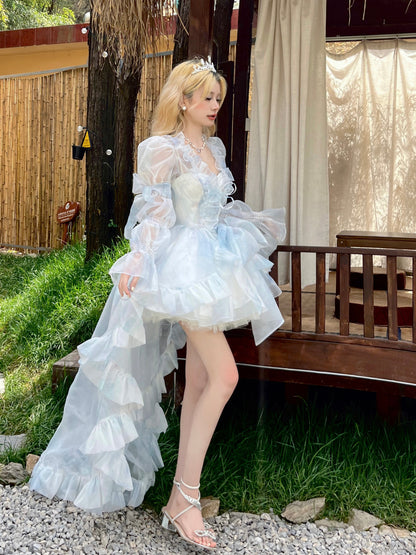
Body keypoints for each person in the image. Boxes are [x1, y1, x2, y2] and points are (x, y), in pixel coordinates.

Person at [29, 57, 285, 550]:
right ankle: (185, 498)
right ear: (183, 100)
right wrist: (139, 259)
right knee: (226, 377)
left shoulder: (213, 147)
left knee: (203, 381)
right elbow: (152, 210)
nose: (215, 105)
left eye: (218, 98)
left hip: (214, 266)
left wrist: (244, 227)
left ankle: (181, 498)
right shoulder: (162, 149)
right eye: (207, 98)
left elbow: (213, 207)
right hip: (182, 269)